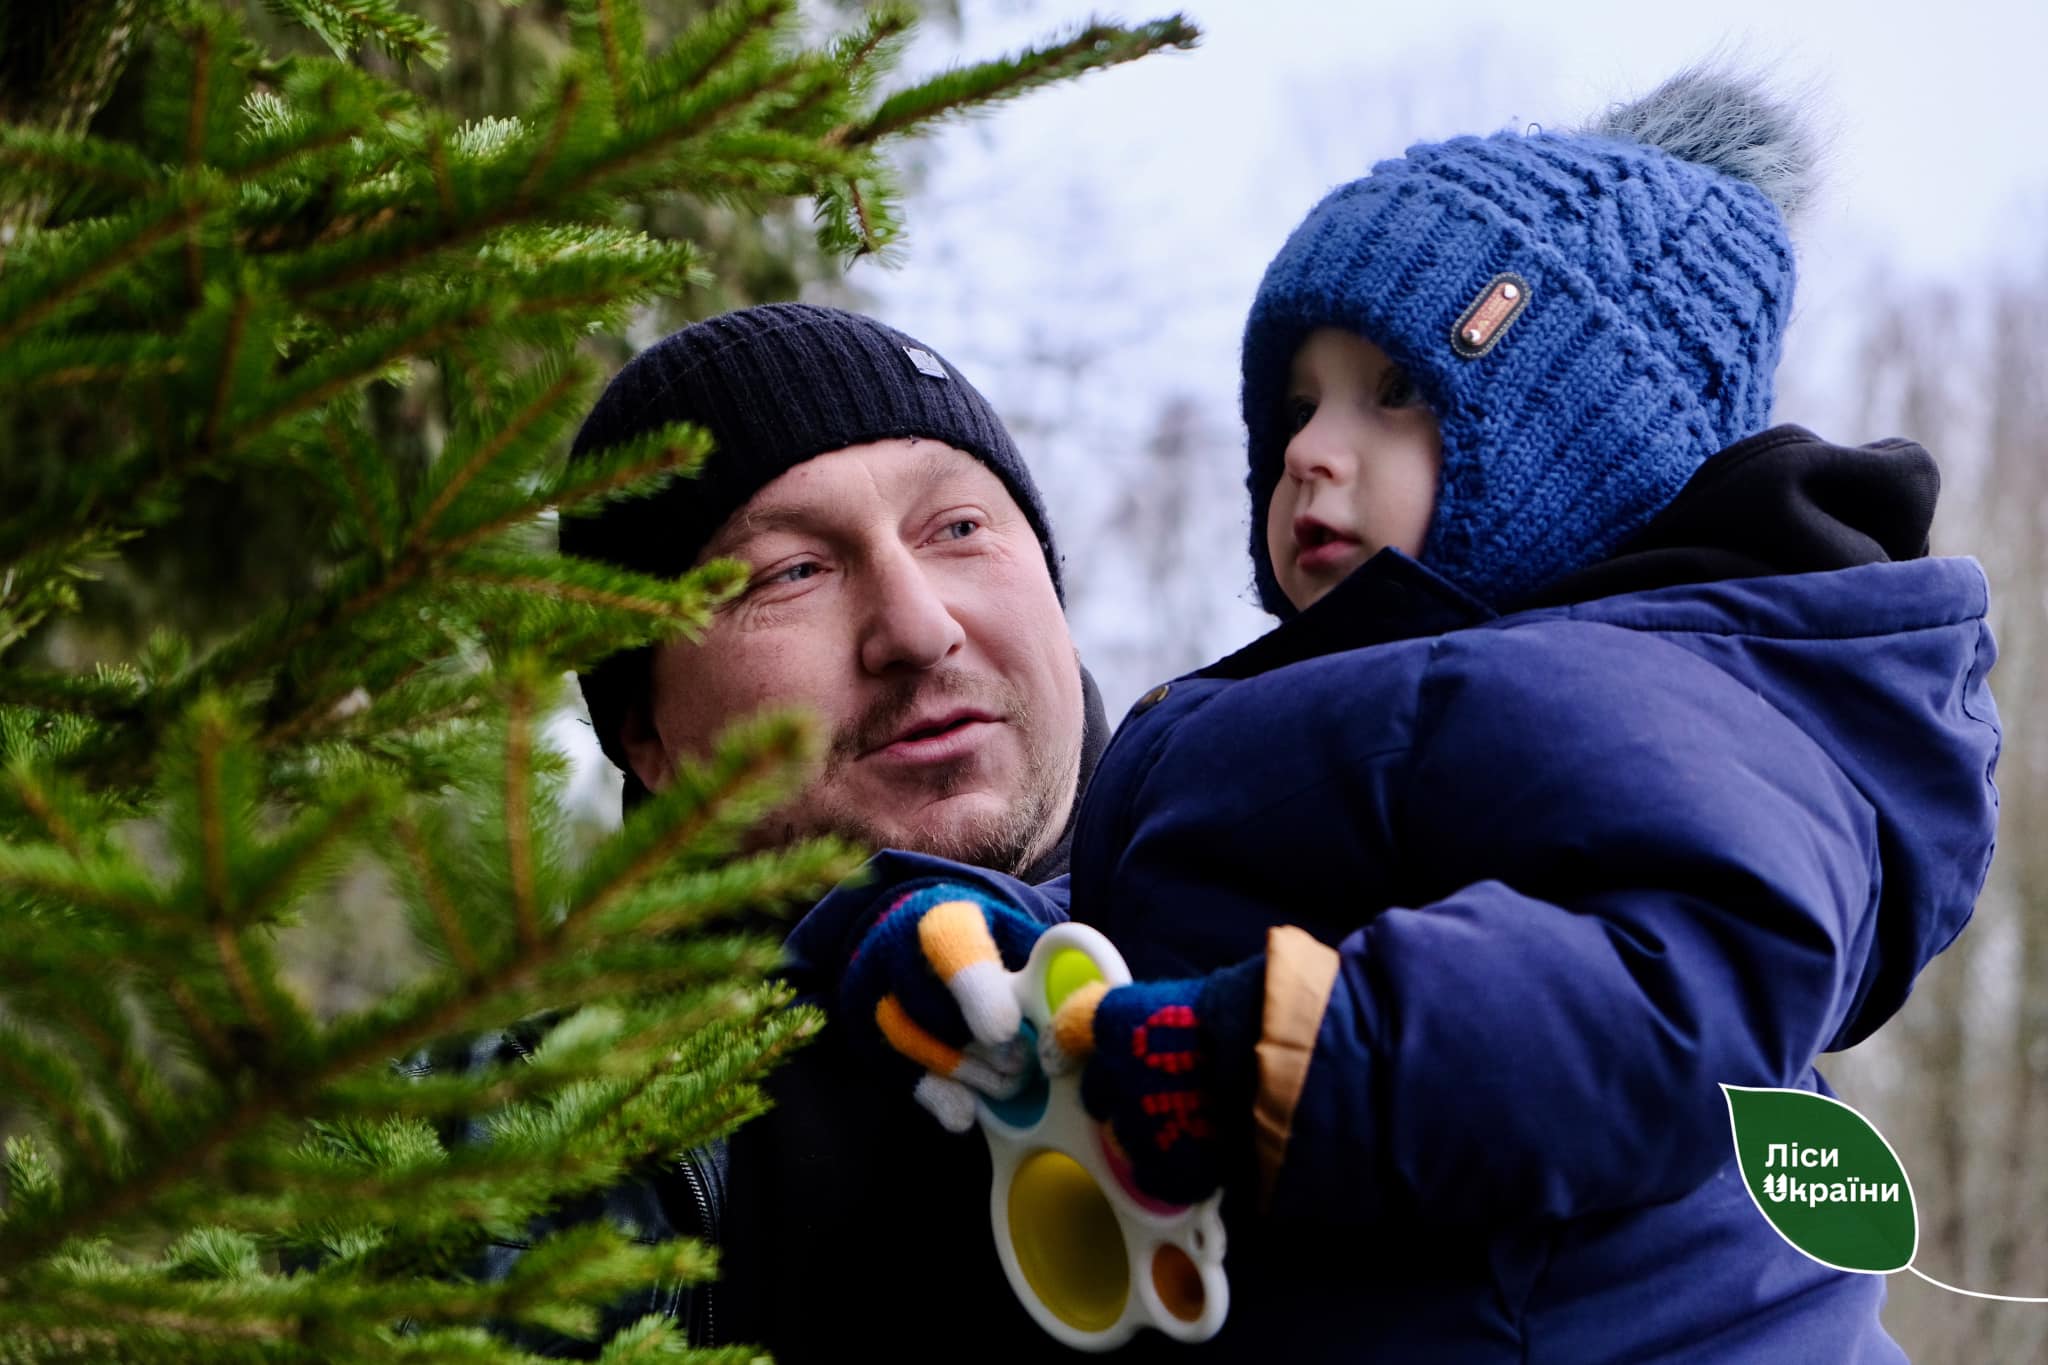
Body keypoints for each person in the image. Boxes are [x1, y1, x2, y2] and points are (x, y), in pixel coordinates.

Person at [806, 68, 2003, 1361]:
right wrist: (979, 942)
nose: (1308, 450)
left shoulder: (1651, 699)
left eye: (1393, 393)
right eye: (1298, 404)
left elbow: (1659, 992)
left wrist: (1260, 1056)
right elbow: (1194, 938)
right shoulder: (1349, 697)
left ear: (1576, 452)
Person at [416, 302, 1112, 1358]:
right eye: (792, 571)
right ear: (646, 733)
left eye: (959, 529)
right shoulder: (477, 1154)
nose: (918, 628)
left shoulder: (1318, 954)